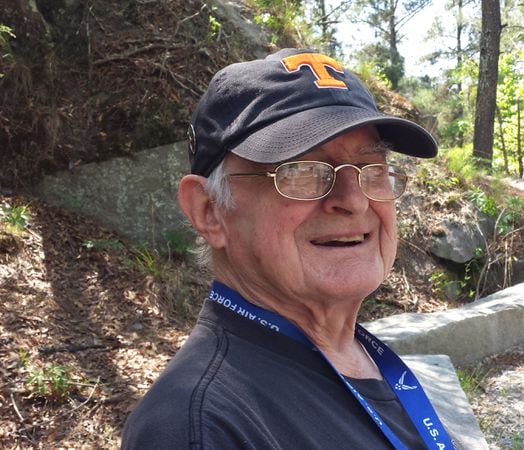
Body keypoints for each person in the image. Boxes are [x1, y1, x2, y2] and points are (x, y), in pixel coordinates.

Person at [122, 48, 457, 449]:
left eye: (374, 170)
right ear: (209, 211)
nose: (354, 200)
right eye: (301, 171)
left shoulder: (353, 353)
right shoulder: (199, 428)